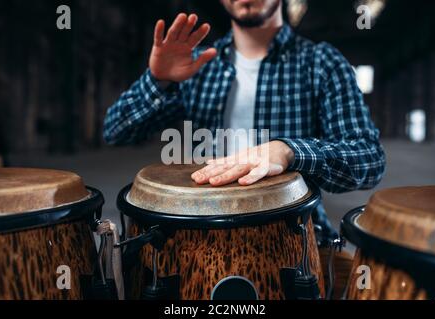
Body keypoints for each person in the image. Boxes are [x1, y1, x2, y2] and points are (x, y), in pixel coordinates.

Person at [103, 0, 386, 240]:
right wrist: (158, 81)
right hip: (197, 230)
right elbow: (116, 131)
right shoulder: (197, 66)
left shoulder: (321, 62)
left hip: (293, 233)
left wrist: (289, 151)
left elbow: (369, 159)